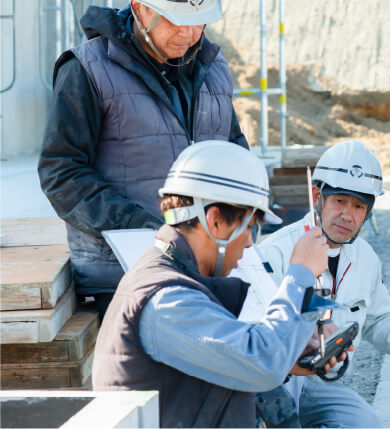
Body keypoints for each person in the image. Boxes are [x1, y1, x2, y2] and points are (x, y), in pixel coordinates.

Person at [37, 0, 247, 315]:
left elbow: (234, 152)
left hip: (205, 270)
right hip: (123, 279)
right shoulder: (86, 71)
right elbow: (61, 173)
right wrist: (144, 227)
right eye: (174, 20)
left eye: (198, 21)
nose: (189, 33)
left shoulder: (213, 69)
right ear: (139, 8)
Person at [92, 140, 348, 428]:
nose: (250, 241)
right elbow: (261, 362)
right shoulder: (165, 299)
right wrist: (300, 272)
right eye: (249, 226)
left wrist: (289, 353)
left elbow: (231, 357)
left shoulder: (179, 281)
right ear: (214, 221)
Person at [257, 140, 390, 428]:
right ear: (316, 196)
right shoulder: (274, 254)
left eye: (359, 206)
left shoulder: (365, 259)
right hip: (275, 385)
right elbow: (256, 339)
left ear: (368, 212)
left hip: (322, 386)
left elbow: (378, 321)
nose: (348, 215)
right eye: (339, 201)